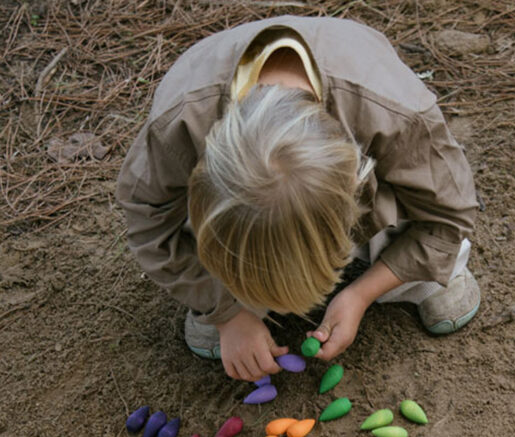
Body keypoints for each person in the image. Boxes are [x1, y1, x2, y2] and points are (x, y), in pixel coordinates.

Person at [116, 15, 481, 383]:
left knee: (425, 210)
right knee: (188, 232)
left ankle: (421, 279)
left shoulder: (396, 115)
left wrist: (360, 294)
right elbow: (148, 224)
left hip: (376, 156)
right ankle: (226, 299)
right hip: (221, 185)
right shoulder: (176, 127)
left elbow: (450, 215)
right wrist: (226, 313)